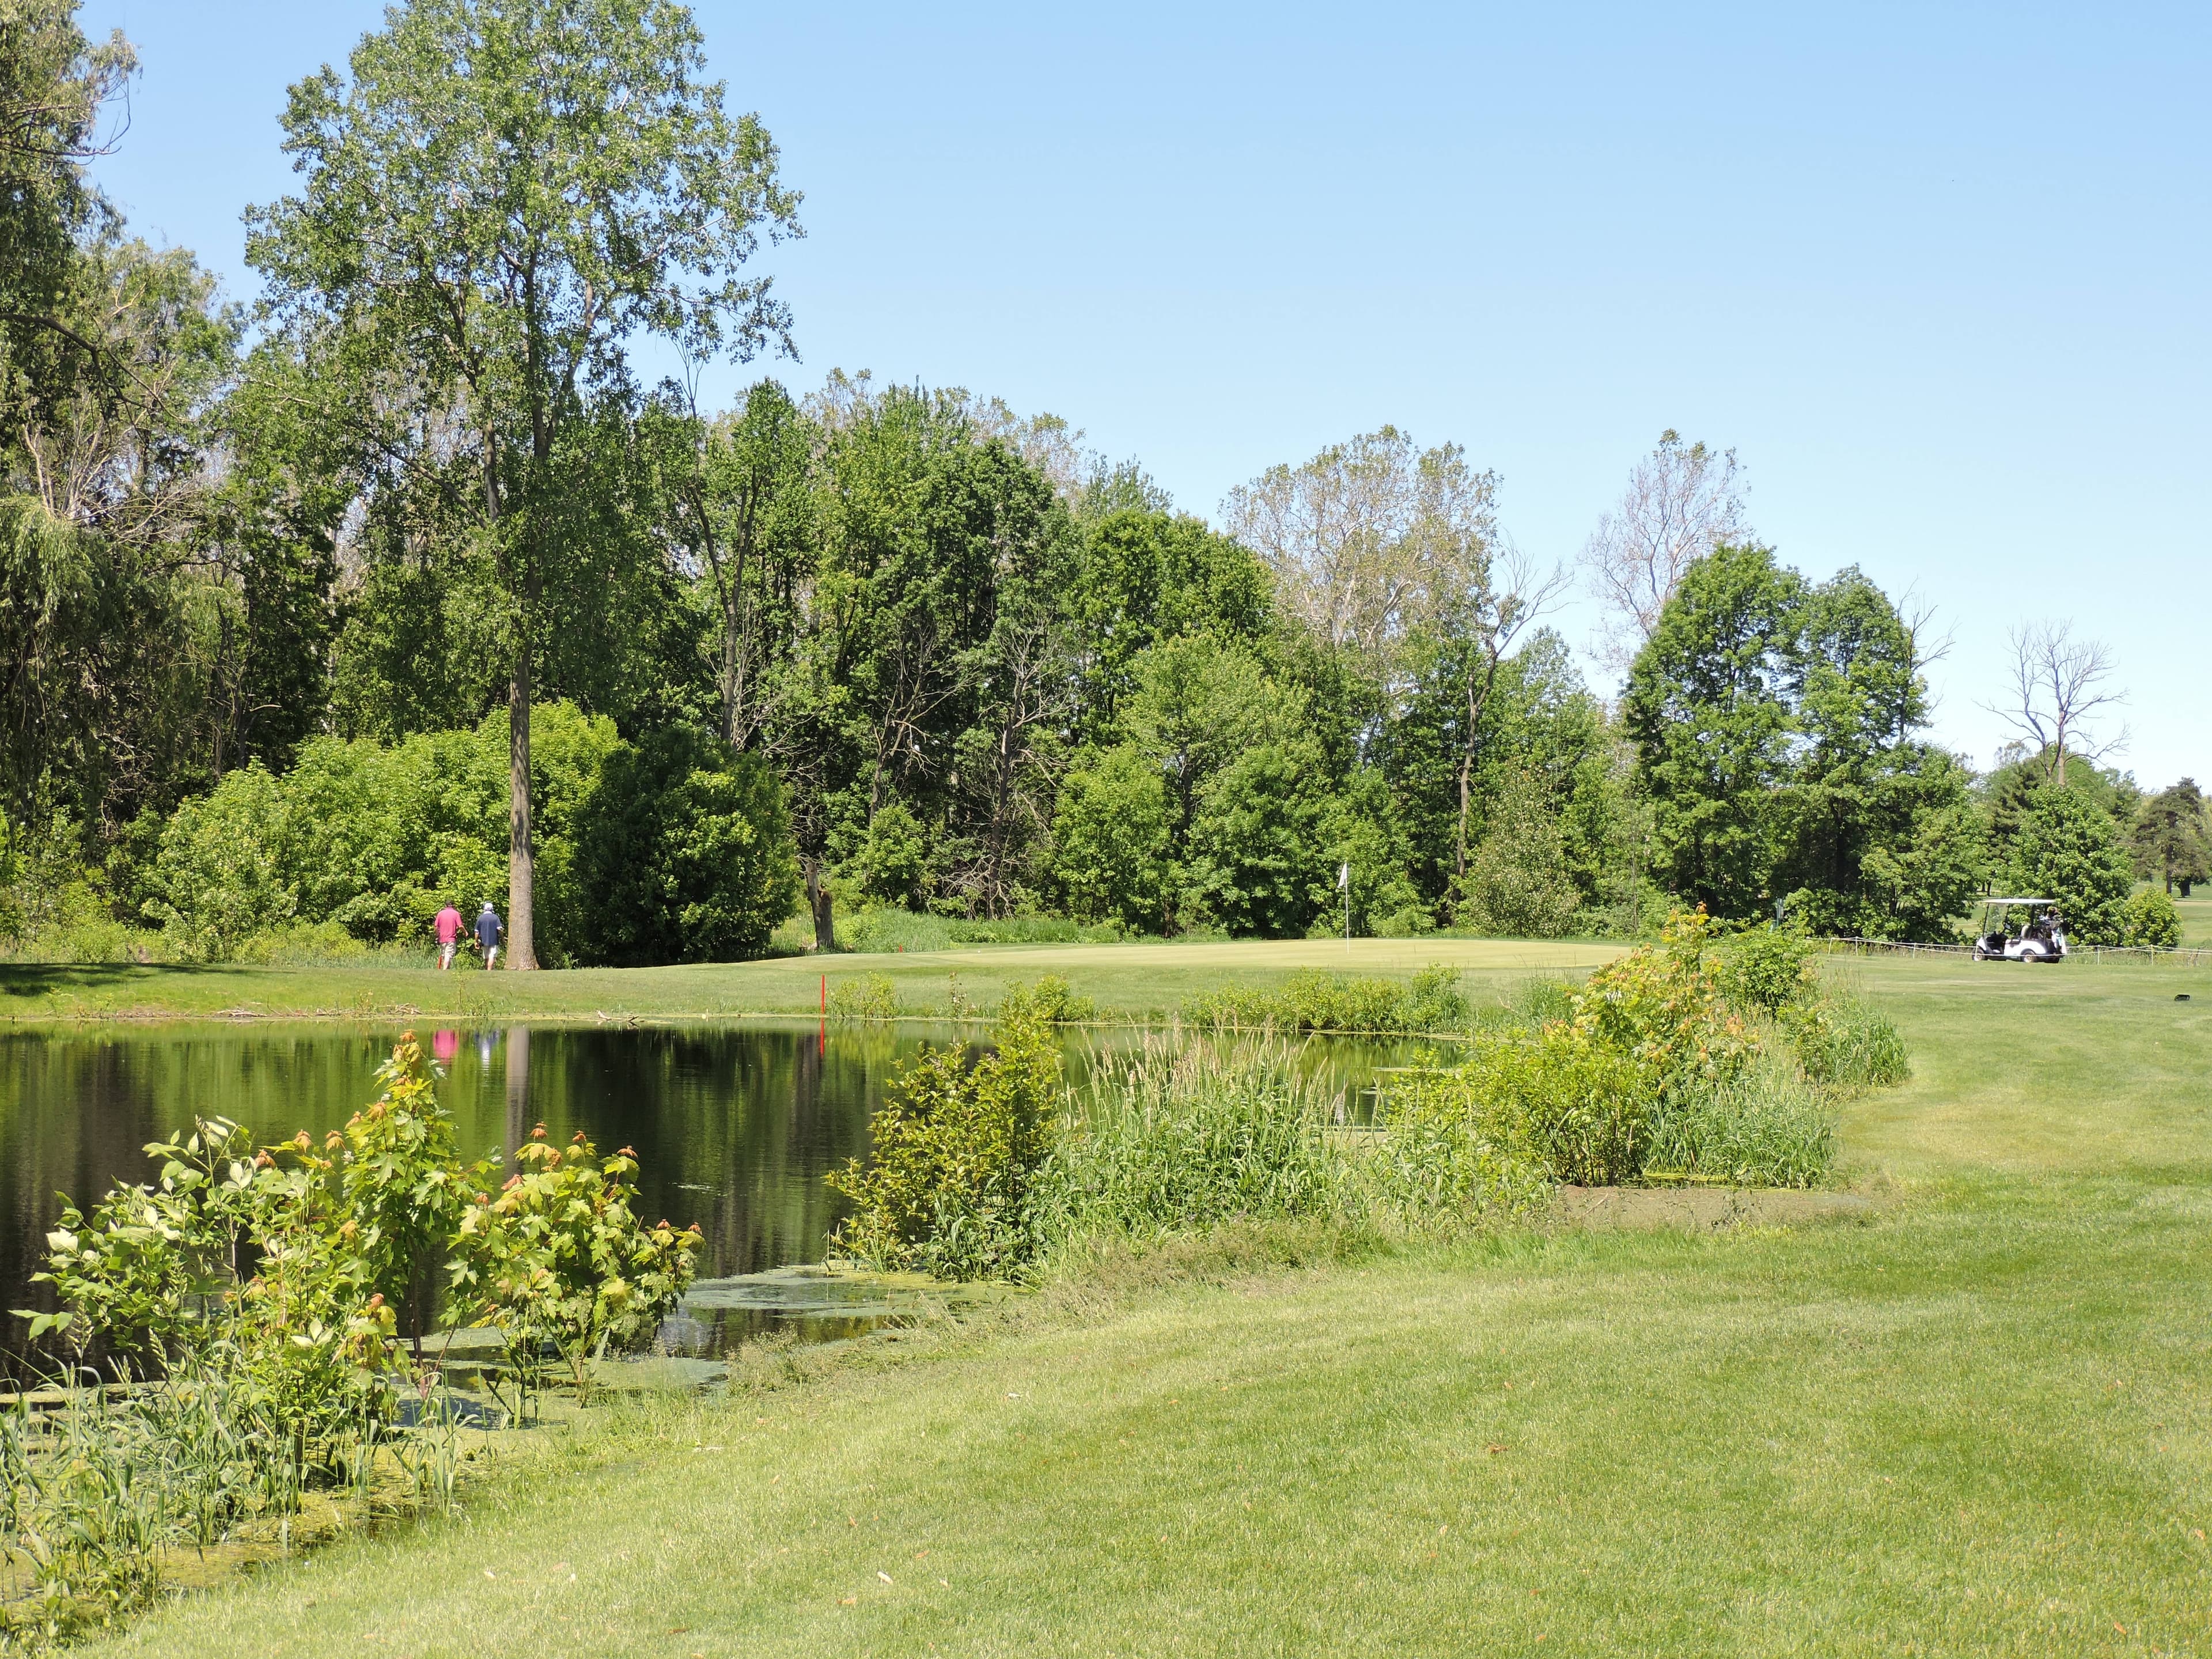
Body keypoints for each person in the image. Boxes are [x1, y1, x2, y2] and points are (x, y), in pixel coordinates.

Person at [433, 900, 465, 970]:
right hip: (451, 938)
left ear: (445, 905)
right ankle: (445, 971)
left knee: (445, 955)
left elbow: (436, 927)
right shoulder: (456, 914)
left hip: (442, 938)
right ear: (453, 905)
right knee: (448, 955)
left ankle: (447, 970)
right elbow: (460, 926)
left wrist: (437, 935)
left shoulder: (440, 914)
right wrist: (465, 932)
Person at [475, 900, 504, 970]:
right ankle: (489, 970)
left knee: (486, 956)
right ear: (492, 909)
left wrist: (476, 941)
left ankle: (486, 969)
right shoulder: (495, 917)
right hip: (494, 940)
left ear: (484, 909)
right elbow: (499, 929)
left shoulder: (480, 918)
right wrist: (502, 938)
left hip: (484, 940)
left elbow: (477, 932)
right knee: (492, 956)